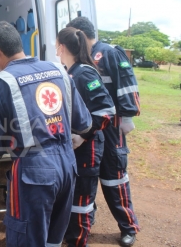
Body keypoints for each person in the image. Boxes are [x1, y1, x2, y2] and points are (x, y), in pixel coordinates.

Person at [0, 21, 93, 247]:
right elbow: (84, 122)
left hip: (33, 171)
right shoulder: (59, 71)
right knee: (53, 238)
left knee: (26, 239)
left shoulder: (0, 84)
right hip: (68, 166)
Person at [67, 17, 141, 247]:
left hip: (111, 127)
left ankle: (128, 226)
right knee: (85, 180)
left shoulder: (108, 52)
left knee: (114, 179)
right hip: (90, 129)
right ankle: (87, 219)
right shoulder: (81, 61)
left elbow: (127, 85)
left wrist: (126, 117)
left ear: (79, 33)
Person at [55, 27, 115, 247]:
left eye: (56, 43)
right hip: (72, 149)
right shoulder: (68, 71)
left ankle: (77, 242)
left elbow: (106, 111)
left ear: (61, 47)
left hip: (86, 149)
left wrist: (83, 135)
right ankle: (70, 236)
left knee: (81, 203)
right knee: (70, 199)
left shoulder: (85, 73)